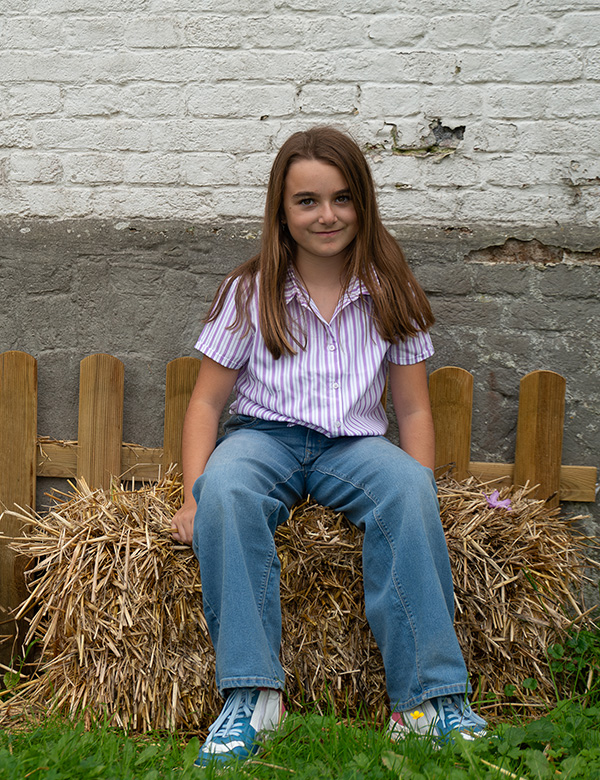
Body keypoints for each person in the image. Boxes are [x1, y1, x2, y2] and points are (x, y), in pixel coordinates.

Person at [170, 125, 486, 767]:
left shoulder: (391, 291)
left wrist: (417, 490)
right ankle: (253, 696)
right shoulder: (251, 290)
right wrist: (191, 495)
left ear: (363, 204)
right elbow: (205, 403)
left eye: (342, 198)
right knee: (226, 489)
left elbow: (414, 407)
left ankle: (426, 703)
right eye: (307, 201)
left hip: (353, 446)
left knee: (405, 483)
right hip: (264, 438)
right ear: (281, 211)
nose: (327, 215)